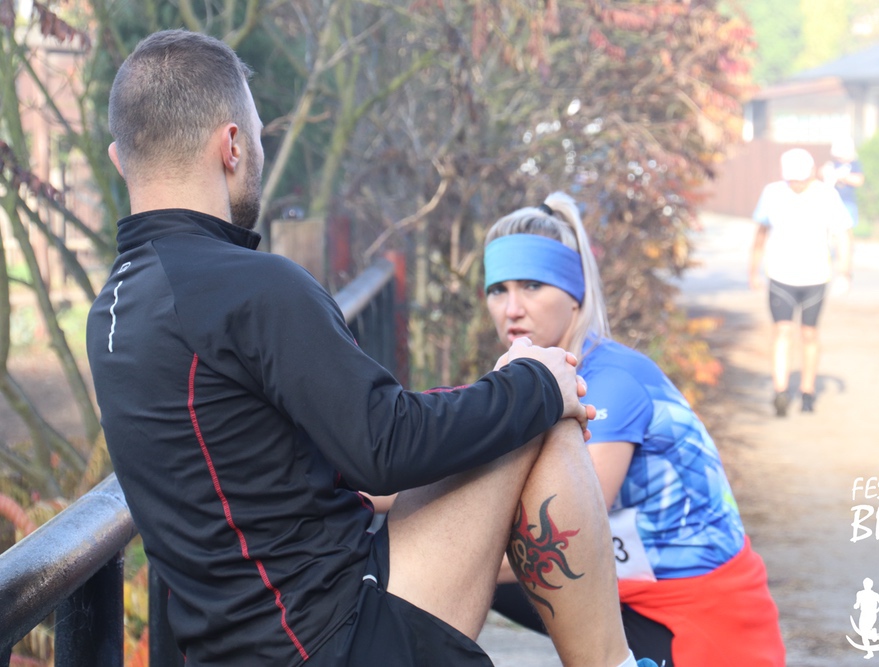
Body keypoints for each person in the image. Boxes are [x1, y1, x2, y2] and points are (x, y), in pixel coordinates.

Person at [86, 29, 653, 667]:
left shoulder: (112, 311)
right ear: (233, 145)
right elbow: (384, 447)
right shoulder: (250, 287)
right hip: (331, 641)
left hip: (241, 638)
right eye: (261, 140)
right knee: (542, 416)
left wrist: (515, 386)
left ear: (120, 159)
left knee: (520, 400)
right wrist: (538, 381)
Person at [482, 193, 785, 667]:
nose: (512, 308)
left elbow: (566, 535)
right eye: (498, 290)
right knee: (465, 558)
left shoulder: (611, 382)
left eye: (532, 286)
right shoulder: (538, 379)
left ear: (574, 292)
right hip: (627, 592)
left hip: (701, 616)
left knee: (466, 563)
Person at [749, 148, 853, 416]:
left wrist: (845, 271)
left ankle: (808, 391)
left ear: (811, 174)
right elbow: (761, 233)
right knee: (782, 331)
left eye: (801, 180)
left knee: (809, 333)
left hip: (816, 276)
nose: (796, 185)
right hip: (780, 275)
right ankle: (781, 391)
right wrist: (753, 270)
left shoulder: (826, 196)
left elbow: (843, 233)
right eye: (792, 180)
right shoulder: (773, 193)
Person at [821, 136, 865, 229]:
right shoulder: (832, 164)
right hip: (832, 201)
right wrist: (828, 172)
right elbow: (822, 173)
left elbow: (859, 180)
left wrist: (843, 177)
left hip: (847, 201)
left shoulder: (854, 164)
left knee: (848, 226)